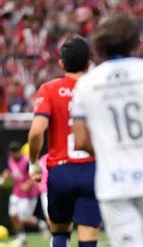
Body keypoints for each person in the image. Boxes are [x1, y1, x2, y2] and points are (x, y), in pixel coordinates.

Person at [71, 12, 143, 247]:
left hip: (113, 183)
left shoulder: (86, 84)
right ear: (136, 41)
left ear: (99, 46)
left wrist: (106, 154)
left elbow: (81, 141)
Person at [28, 35, 102, 247]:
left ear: (61, 63)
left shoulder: (49, 90)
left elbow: (36, 132)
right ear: (89, 63)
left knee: (59, 230)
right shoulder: (97, 89)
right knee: (88, 233)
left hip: (61, 172)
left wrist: (34, 163)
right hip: (91, 169)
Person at [0, 141, 47, 246]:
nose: (14, 154)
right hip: (16, 192)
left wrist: (28, 184)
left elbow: (36, 176)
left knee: (23, 217)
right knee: (12, 215)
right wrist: (4, 177)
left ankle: (41, 224)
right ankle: (22, 237)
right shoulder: (10, 160)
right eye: (12, 152)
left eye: (16, 151)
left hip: (29, 195)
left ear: (20, 151)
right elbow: (11, 171)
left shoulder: (27, 162)